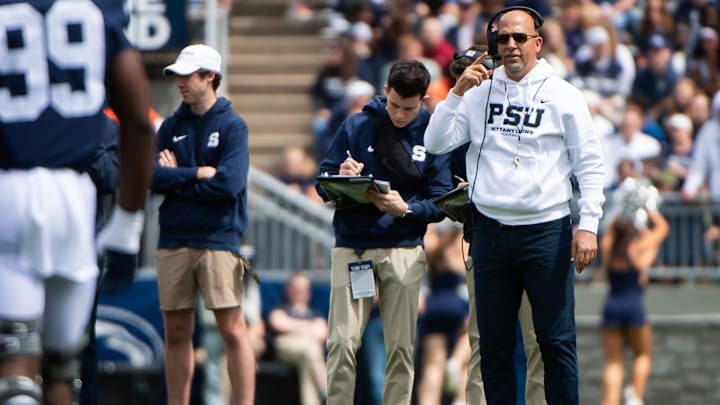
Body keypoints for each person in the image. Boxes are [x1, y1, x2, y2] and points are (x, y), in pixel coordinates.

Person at [424, 6, 606, 404]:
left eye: (519, 38)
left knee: (556, 342)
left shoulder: (564, 96)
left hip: (546, 231)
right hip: (490, 233)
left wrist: (588, 223)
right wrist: (457, 91)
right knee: (493, 346)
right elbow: (435, 144)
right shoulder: (476, 92)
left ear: (537, 43)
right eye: (502, 38)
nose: (510, 45)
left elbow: (590, 164)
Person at [0, 1, 155, 403]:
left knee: (16, 358)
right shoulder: (95, 9)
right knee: (61, 368)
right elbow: (139, 121)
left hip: (8, 188)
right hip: (73, 196)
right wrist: (127, 226)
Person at [316, 59, 453, 405]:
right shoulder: (357, 124)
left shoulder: (435, 132)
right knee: (343, 343)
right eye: (393, 104)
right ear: (385, 91)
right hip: (354, 248)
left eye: (408, 108)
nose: (400, 114)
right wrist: (342, 175)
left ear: (423, 100)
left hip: (403, 248)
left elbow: (441, 202)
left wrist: (405, 208)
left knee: (401, 348)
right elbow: (323, 183)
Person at [151, 43, 255, 405]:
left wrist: (176, 178)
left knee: (232, 329)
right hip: (175, 238)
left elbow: (228, 186)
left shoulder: (232, 126)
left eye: (187, 76)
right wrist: (195, 174)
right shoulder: (170, 126)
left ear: (209, 77)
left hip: (218, 237)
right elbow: (151, 178)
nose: (180, 83)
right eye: (178, 77)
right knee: (177, 331)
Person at [600, 179, 669, 405]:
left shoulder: (610, 244)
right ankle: (635, 397)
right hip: (634, 307)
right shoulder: (639, 247)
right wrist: (647, 205)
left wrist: (623, 207)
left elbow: (611, 227)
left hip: (611, 306)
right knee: (643, 355)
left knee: (613, 363)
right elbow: (663, 228)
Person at [267, 272, 329, 405]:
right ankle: (326, 389)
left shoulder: (315, 313)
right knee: (310, 348)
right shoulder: (281, 308)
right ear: (289, 290)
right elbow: (277, 322)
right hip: (285, 347)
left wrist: (294, 326)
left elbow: (323, 332)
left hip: (308, 354)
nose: (301, 292)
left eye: (304, 289)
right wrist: (308, 328)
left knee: (308, 361)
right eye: (297, 288)